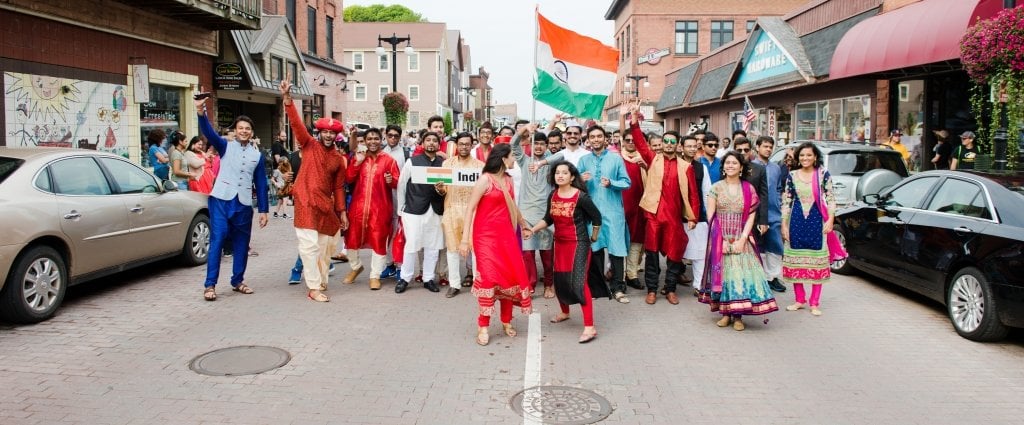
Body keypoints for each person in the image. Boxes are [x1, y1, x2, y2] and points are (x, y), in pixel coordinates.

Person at [195, 88, 269, 301]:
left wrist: (263, 210)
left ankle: (238, 280)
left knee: (241, 244)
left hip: (243, 204)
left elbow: (261, 183)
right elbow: (208, 133)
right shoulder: (225, 146)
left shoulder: (257, 155)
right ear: (235, 131)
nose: (244, 131)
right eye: (240, 128)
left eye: (247, 128)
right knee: (218, 240)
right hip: (221, 199)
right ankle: (210, 285)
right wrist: (202, 111)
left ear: (252, 132)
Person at [280, 79, 349, 302]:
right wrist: (288, 100)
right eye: (324, 132)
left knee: (325, 246)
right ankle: (313, 288)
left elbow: (338, 187)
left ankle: (320, 280)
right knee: (308, 246)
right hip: (304, 200)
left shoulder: (338, 159)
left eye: (332, 133)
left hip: (324, 204)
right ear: (319, 132)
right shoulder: (308, 144)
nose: (328, 135)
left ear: (336, 136)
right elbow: (297, 125)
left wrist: (342, 212)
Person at [460, 144, 532, 347]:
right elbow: (470, 209)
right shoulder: (485, 180)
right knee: (489, 279)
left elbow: (513, 206)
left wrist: (524, 226)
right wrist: (465, 240)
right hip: (485, 238)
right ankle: (483, 325)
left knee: (508, 279)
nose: (514, 161)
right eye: (511, 157)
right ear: (503, 159)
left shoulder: (508, 180)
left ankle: (506, 320)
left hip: (506, 236)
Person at [698, 151, 779, 330]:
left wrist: (743, 239)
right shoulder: (716, 188)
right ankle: (725, 314)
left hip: (742, 237)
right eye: (727, 163)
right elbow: (711, 217)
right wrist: (721, 241)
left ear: (741, 168)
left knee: (740, 276)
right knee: (725, 275)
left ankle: (738, 316)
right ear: (723, 167)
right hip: (720, 236)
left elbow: (751, 216)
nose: (730, 166)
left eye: (734, 163)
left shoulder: (748, 189)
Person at [627, 106, 698, 305]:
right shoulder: (653, 158)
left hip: (674, 217)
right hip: (653, 216)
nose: (667, 144)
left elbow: (693, 194)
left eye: (672, 142)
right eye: (665, 141)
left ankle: (670, 288)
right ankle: (652, 289)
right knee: (651, 254)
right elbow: (640, 143)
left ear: (678, 146)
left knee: (675, 254)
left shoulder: (686, 167)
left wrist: (693, 217)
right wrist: (634, 120)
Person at [526, 161, 601, 343]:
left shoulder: (581, 197)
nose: (560, 175)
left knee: (579, 283)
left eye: (564, 173)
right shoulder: (553, 194)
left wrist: (594, 237)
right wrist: (532, 230)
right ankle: (565, 312)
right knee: (560, 281)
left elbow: (597, 217)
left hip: (579, 244)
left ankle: (590, 327)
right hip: (559, 244)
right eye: (557, 173)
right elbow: (548, 219)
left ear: (572, 177)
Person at [576, 125, 630, 303]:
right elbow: (574, 185)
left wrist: (612, 183)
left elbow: (626, 183)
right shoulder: (583, 160)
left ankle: (618, 288)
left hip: (613, 211)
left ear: (605, 139)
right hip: (592, 212)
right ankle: (597, 287)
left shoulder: (616, 159)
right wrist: (579, 181)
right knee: (595, 249)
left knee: (616, 250)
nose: (596, 139)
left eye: (600, 136)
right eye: (593, 137)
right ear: (588, 140)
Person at [781, 142, 835, 316]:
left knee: (816, 261)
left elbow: (831, 198)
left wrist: (831, 220)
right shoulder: (792, 175)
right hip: (796, 221)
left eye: (809, 155)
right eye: (802, 155)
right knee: (795, 260)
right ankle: (799, 299)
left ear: (815, 157)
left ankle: (814, 302)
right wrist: (784, 224)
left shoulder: (822, 174)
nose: (805, 158)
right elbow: (787, 201)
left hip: (816, 220)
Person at [344, 128, 401, 290]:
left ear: (380, 139)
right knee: (351, 241)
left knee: (379, 241)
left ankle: (375, 275)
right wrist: (357, 162)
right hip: (358, 208)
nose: (373, 142)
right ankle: (356, 267)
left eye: (376, 138)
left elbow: (397, 183)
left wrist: (391, 180)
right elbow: (348, 178)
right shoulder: (360, 157)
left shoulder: (388, 160)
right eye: (369, 139)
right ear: (365, 140)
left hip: (380, 209)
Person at [395, 131, 446, 294]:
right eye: (428, 140)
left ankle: (428, 278)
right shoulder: (412, 162)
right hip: (414, 209)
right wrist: (401, 208)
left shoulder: (443, 164)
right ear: (422, 143)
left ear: (439, 144)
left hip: (436, 210)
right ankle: (405, 278)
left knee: (433, 246)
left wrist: (442, 191)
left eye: (434, 141)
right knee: (412, 245)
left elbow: (447, 189)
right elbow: (402, 185)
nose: (431, 143)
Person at [513, 125, 556, 299]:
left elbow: (561, 155)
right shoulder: (524, 161)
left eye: (541, 144)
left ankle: (548, 285)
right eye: (535, 143)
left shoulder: (551, 161)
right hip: (526, 215)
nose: (538, 147)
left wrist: (542, 163)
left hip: (545, 215)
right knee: (528, 255)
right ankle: (529, 286)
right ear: (531, 145)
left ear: (546, 146)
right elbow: (512, 145)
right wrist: (523, 130)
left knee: (547, 254)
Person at [439, 132, 484, 298]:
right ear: (456, 145)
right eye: (461, 144)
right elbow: (443, 189)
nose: (464, 146)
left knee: (475, 249)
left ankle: (479, 283)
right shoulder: (447, 164)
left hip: (472, 211)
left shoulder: (480, 166)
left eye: (467, 144)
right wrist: (439, 188)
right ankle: (454, 284)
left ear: (472, 145)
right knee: (452, 249)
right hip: (451, 208)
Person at [751, 136, 787, 292]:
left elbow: (779, 188)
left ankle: (772, 277)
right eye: (765, 146)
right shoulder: (750, 167)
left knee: (775, 246)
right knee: (758, 246)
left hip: (773, 213)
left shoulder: (776, 168)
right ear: (757, 147)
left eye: (770, 146)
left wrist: (779, 203)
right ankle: (760, 277)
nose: (768, 149)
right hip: (755, 213)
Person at [619, 128, 647, 292]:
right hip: (620, 206)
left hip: (640, 206)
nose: (631, 142)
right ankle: (620, 276)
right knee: (621, 241)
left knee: (636, 241)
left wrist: (647, 167)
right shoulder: (616, 158)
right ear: (623, 141)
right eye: (627, 140)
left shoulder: (645, 158)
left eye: (633, 140)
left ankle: (632, 274)